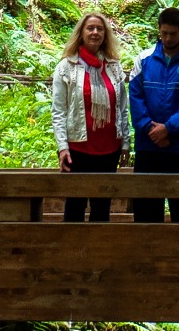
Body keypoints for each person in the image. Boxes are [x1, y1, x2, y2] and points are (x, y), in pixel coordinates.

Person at [127, 7, 179, 224]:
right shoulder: (143, 60)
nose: (167, 38)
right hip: (148, 147)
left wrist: (169, 129)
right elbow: (135, 99)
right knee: (146, 212)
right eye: (164, 33)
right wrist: (149, 128)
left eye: (172, 33)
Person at [50, 13, 126, 222]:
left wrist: (126, 141)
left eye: (99, 29)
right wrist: (62, 146)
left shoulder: (113, 66)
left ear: (105, 34)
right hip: (79, 148)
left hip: (109, 148)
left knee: (102, 207)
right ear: (81, 33)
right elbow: (58, 110)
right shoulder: (66, 67)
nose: (95, 33)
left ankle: (99, 252)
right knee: (75, 205)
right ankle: (72, 252)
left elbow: (122, 108)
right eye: (90, 28)